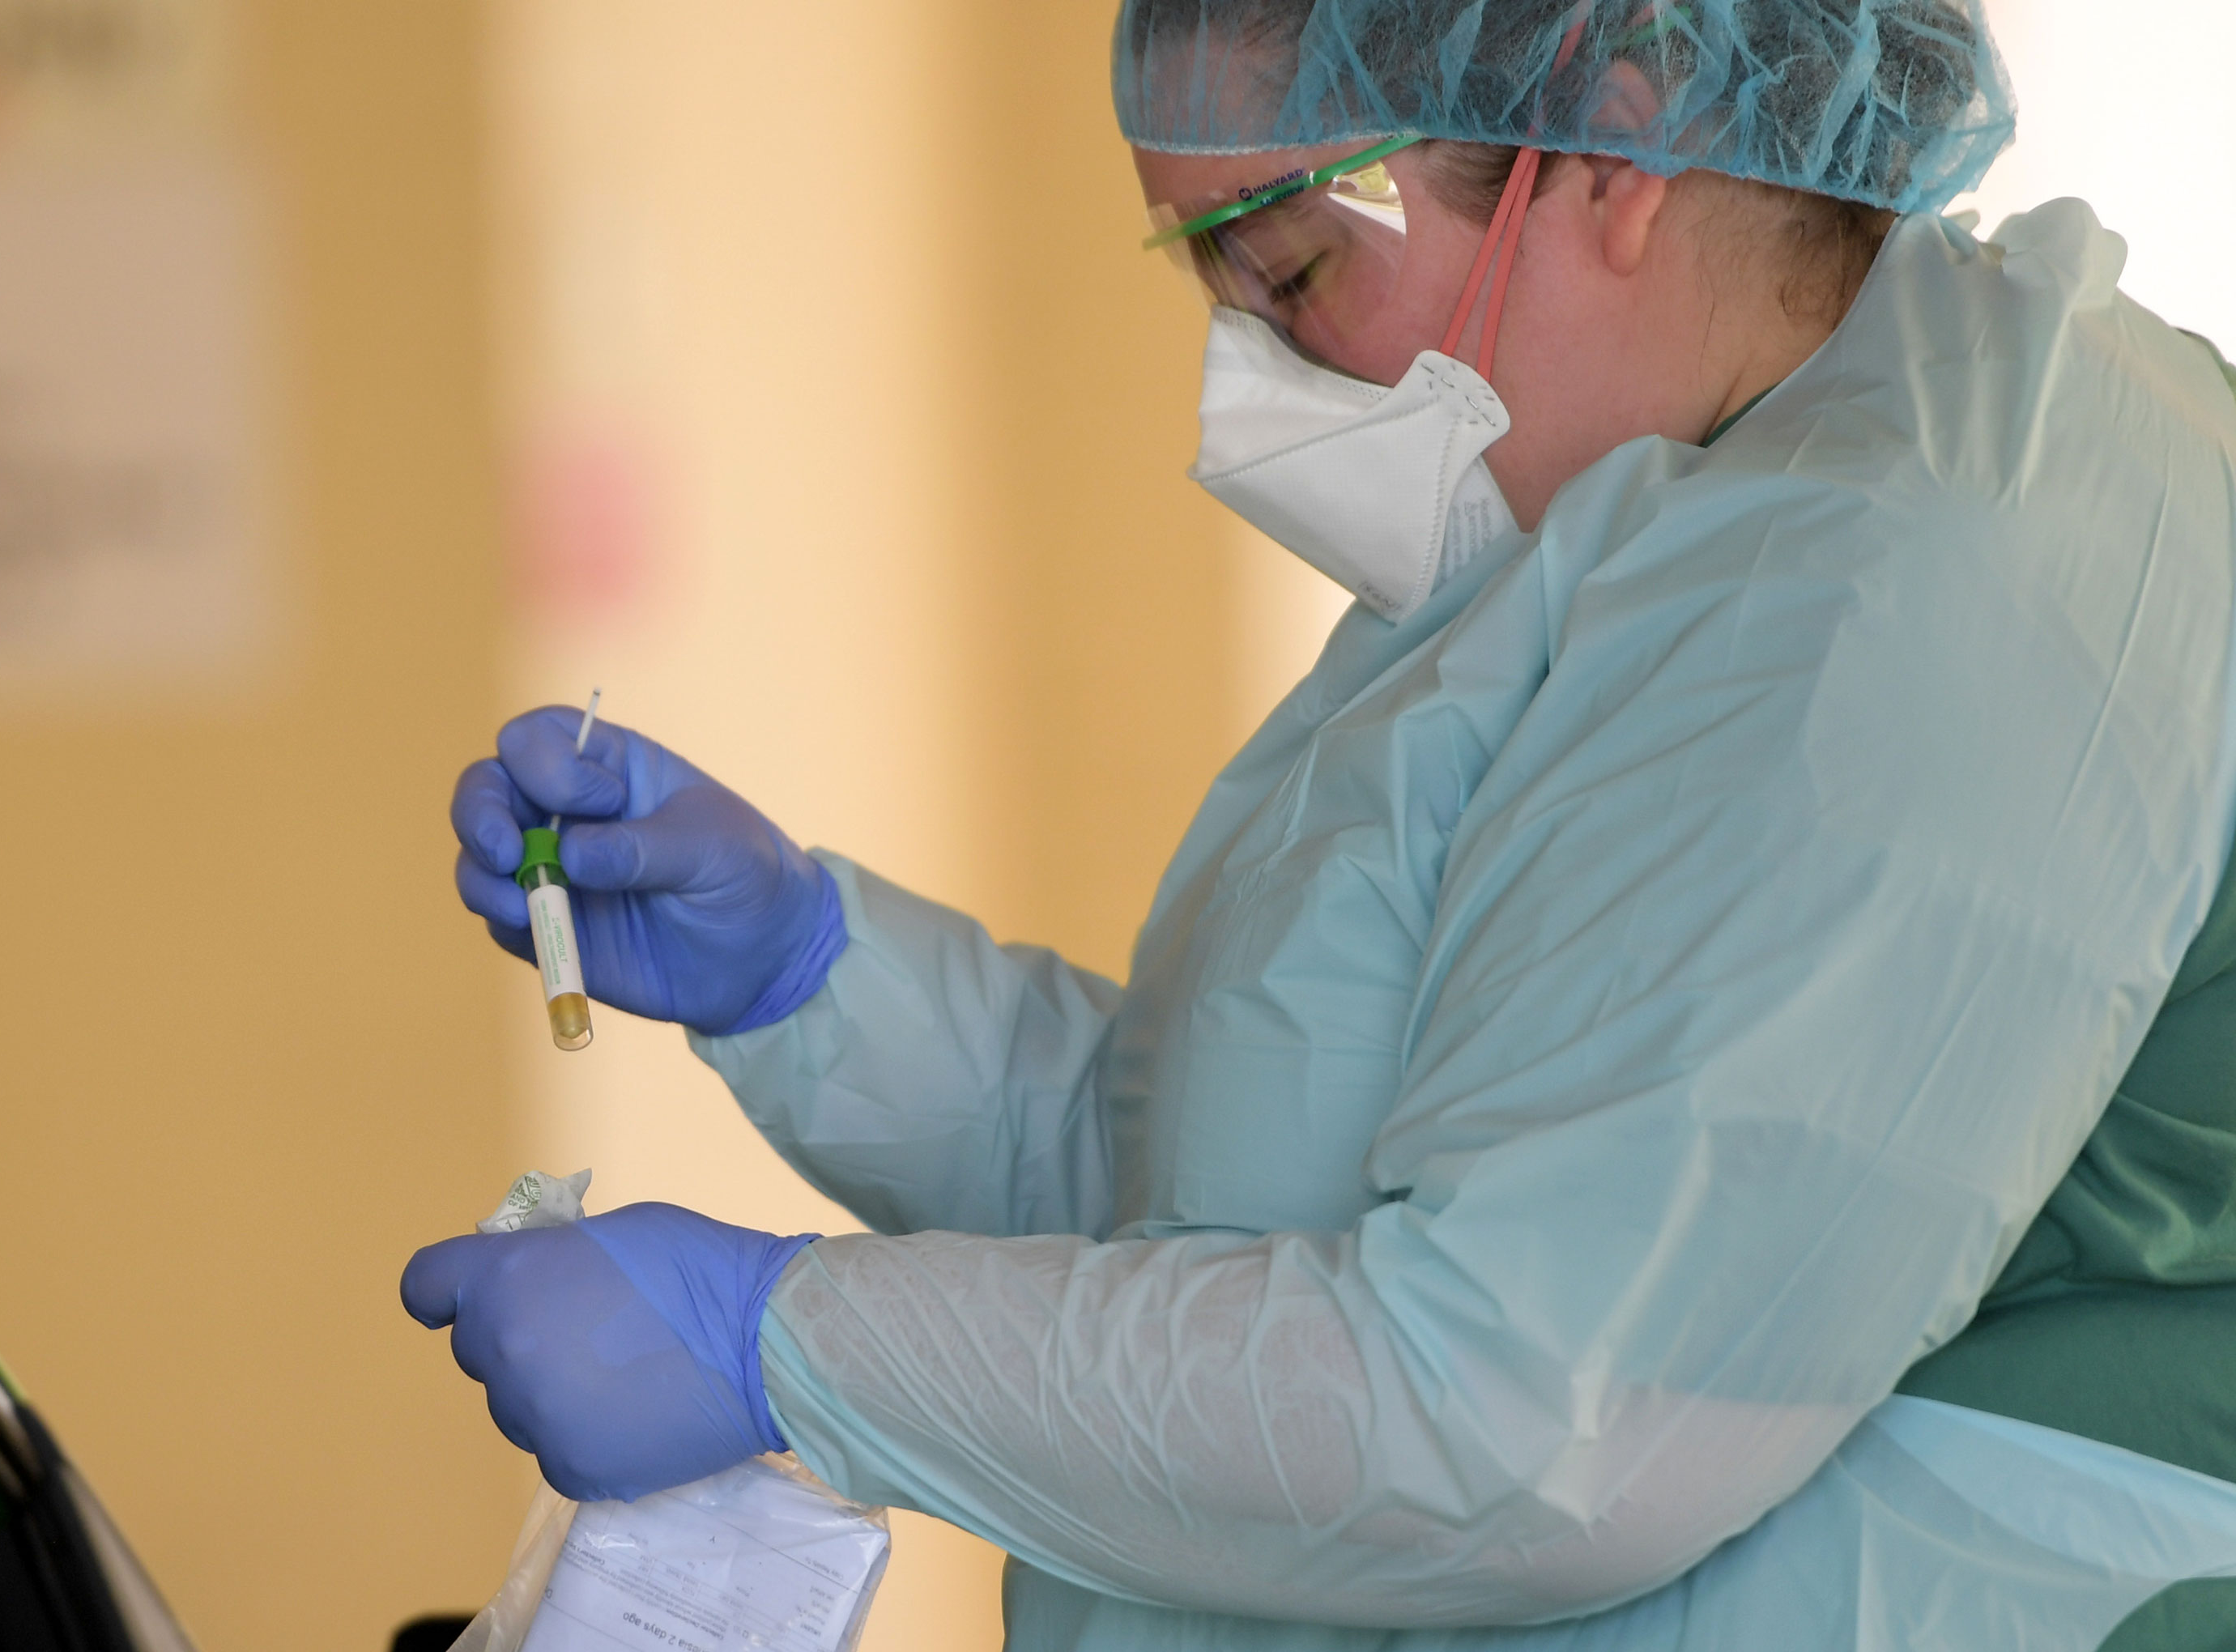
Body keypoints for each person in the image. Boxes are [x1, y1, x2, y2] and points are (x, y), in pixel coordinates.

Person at [402, 2, 2236, 1646]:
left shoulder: (1946, 570)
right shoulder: (1622, 526)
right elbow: (1224, 1223)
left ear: (1615, 137)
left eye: (1288, 274)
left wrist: (784, 1343)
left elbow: (1519, 1422)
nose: (1249, 388)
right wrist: (812, 979)